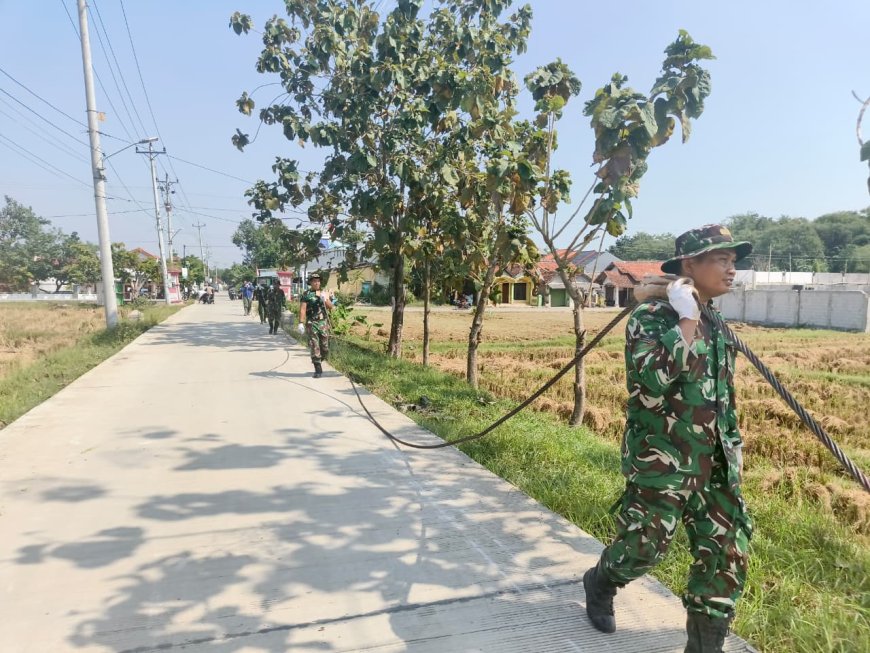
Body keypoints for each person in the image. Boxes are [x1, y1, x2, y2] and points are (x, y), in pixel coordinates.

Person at [583, 225, 753, 653]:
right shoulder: (650, 318)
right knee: (643, 547)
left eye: (734, 261)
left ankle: (705, 645)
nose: (731, 269)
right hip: (663, 461)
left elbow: (721, 397)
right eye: (721, 260)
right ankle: (601, 581)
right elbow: (653, 381)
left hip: (715, 464)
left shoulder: (716, 321)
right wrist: (686, 317)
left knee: (725, 555)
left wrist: (732, 448)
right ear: (688, 266)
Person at [297, 272, 333, 378]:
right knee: (314, 345)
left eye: (318, 281)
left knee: (325, 347)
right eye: (314, 281)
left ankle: (320, 359)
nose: (317, 283)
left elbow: (331, 307)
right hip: (312, 323)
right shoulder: (306, 294)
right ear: (311, 282)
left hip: (323, 322)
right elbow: (303, 309)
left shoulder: (323, 293)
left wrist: (325, 299)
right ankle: (318, 368)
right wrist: (300, 322)